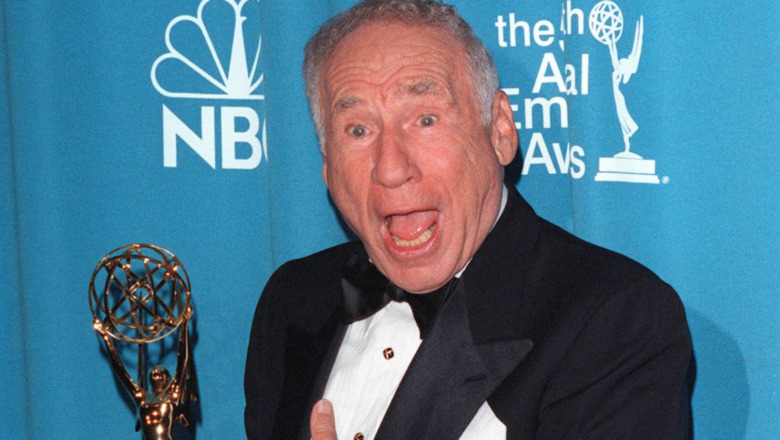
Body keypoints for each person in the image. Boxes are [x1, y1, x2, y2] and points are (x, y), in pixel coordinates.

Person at [244, 1, 692, 439]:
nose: (391, 167)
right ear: (327, 167)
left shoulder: (614, 320)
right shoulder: (293, 300)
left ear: (499, 131)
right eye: (358, 130)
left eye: (425, 119)